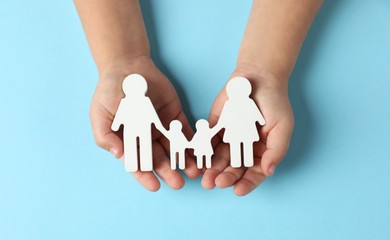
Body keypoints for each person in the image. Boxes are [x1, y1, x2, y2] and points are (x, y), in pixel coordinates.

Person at [74, 0, 323, 195]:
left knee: (242, 150)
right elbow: (150, 118)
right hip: (142, 131)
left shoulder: (246, 103)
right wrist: (120, 59)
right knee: (237, 149)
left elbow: (236, 118)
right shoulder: (130, 103)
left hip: (240, 132)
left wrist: (265, 71)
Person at [111, 74, 166, 172]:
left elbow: (152, 115)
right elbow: (120, 115)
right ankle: (138, 164)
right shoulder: (128, 102)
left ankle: (144, 164)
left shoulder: (143, 101)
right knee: (134, 146)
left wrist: (115, 126)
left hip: (138, 129)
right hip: (136, 129)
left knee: (139, 146)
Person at [213, 77, 266, 168]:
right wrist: (261, 121)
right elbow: (223, 119)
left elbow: (223, 120)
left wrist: (216, 128)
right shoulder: (241, 103)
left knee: (239, 145)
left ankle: (243, 161)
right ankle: (240, 161)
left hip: (237, 130)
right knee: (240, 145)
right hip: (244, 129)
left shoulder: (236, 103)